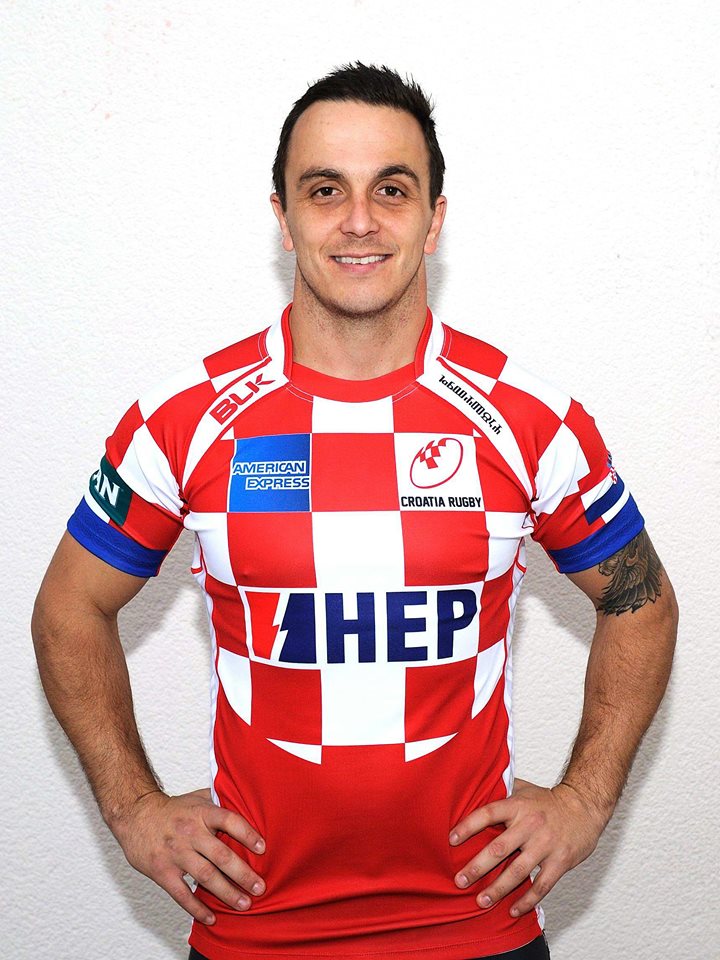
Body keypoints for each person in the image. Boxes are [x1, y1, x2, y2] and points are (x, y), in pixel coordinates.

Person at [32, 63, 678, 960]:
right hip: (254, 931)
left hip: (477, 930)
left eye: (393, 189)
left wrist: (584, 800)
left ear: (435, 219)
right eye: (325, 189)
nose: (360, 220)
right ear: (283, 216)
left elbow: (642, 601)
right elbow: (68, 607)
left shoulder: (529, 418)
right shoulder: (185, 418)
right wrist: (133, 807)